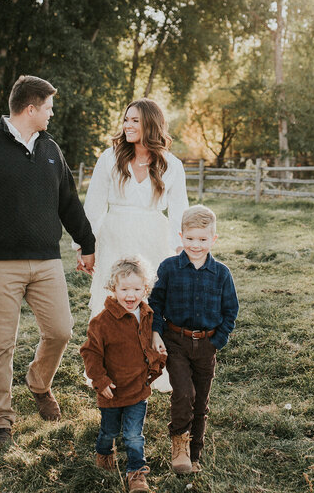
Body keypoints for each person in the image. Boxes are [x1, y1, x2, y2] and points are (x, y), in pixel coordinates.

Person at [0, 74, 97, 447]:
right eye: (48, 107)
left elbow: (68, 201)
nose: (51, 113)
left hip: (46, 261)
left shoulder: (50, 149)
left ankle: (38, 382)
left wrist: (86, 241)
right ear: (30, 108)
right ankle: (0, 420)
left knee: (61, 331)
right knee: (1, 342)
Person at [77, 98, 188, 391]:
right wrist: (85, 247)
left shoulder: (171, 165)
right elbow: (93, 207)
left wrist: (181, 254)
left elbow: (179, 213)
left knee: (149, 302)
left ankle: (149, 369)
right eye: (126, 119)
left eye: (135, 120)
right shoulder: (109, 158)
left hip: (153, 237)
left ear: (151, 124)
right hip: (114, 236)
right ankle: (108, 373)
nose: (127, 125)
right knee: (112, 302)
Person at [149, 205, 239, 475]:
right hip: (175, 341)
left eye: (202, 239)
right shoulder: (169, 268)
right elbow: (156, 302)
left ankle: (195, 451)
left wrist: (217, 341)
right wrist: (155, 332)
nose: (196, 245)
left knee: (200, 400)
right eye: (190, 239)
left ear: (213, 239)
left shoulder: (221, 273)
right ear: (181, 236)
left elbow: (230, 310)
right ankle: (179, 445)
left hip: (206, 345)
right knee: (183, 393)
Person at [79, 256, 166, 493]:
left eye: (137, 289)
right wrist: (100, 380)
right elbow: (90, 352)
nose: (131, 295)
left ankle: (137, 473)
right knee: (109, 431)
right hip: (112, 391)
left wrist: (157, 360)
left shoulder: (147, 315)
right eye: (124, 289)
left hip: (137, 390)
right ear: (113, 289)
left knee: (133, 435)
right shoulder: (102, 323)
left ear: (145, 289)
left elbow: (148, 345)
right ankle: (104, 452)